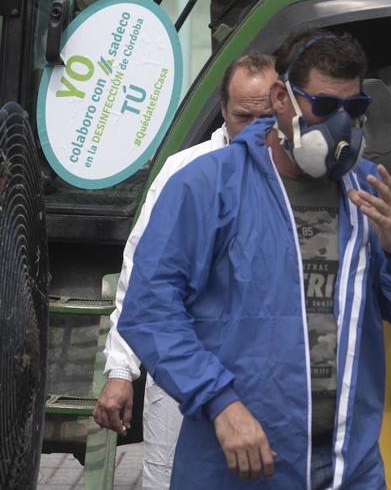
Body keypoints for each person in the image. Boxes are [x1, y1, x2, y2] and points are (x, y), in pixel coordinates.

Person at [119, 30, 391, 489]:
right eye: (326, 108)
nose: (342, 127)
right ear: (281, 99)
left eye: (354, 111)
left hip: (345, 469)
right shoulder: (208, 186)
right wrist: (221, 403)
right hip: (237, 470)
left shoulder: (369, 191)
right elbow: (150, 312)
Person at [92, 53, 277, 490]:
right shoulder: (185, 174)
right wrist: (121, 370)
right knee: (171, 478)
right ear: (223, 111)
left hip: (267, 376)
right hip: (183, 374)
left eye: (265, 118)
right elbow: (141, 277)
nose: (253, 130)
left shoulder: (300, 183)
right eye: (242, 116)